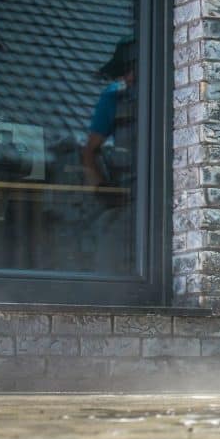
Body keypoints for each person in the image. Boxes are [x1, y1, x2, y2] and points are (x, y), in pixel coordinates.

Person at [81, 35, 136, 275]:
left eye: (130, 72)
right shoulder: (114, 97)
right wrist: (101, 189)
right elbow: (89, 153)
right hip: (127, 195)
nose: (127, 79)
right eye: (123, 74)